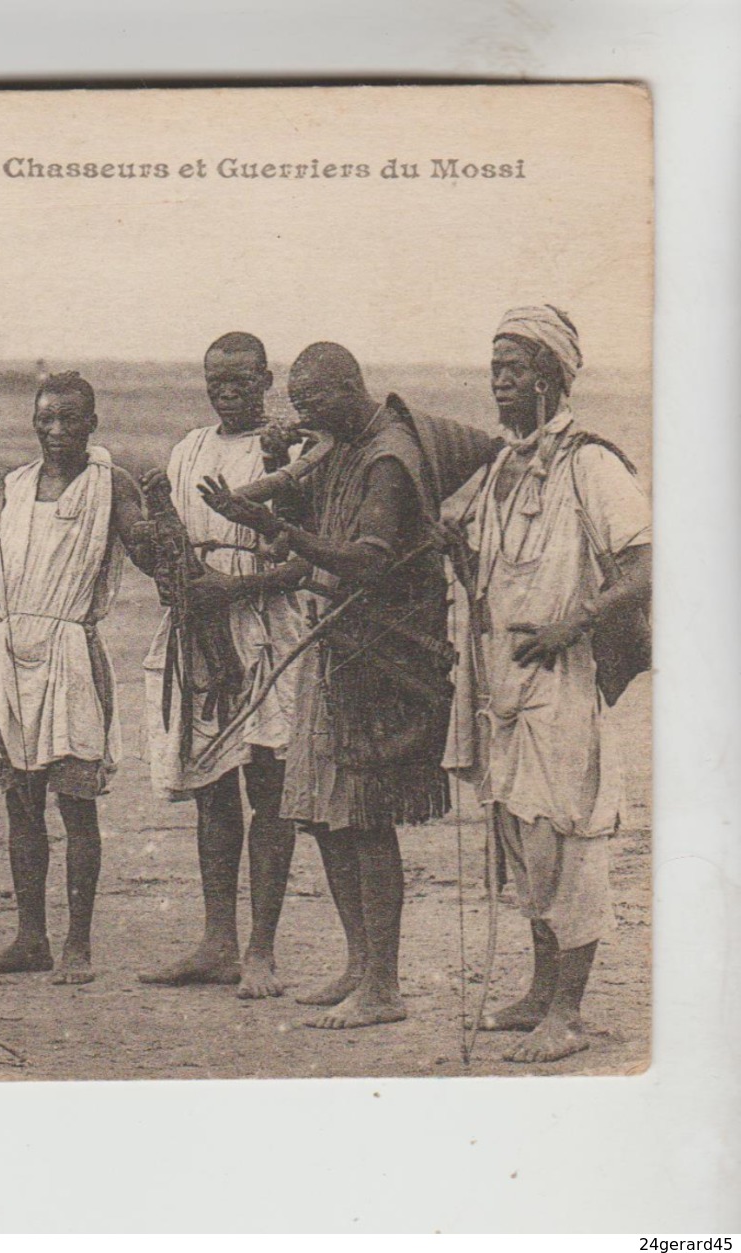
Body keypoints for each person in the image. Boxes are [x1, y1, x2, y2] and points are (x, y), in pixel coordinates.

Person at [200, 343, 466, 1028]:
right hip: (340, 648)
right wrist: (269, 475)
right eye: (297, 403)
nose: (302, 414)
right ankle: (358, 964)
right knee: (324, 813)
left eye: (311, 402)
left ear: (348, 388)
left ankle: (382, 986)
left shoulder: (385, 458)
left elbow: (368, 562)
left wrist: (275, 528)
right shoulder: (345, 441)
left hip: (383, 659)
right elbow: (317, 512)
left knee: (365, 817)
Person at [452, 306, 650, 1063]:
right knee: (520, 836)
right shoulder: (501, 467)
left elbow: (644, 564)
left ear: (549, 377)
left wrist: (576, 621)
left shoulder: (590, 463)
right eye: (493, 366)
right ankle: (538, 993)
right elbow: (489, 570)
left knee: (569, 838)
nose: (497, 381)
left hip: (563, 684)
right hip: (502, 686)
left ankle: (567, 1012)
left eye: (511, 367)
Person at [132, 333, 313, 998]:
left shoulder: (293, 451)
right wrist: (168, 573)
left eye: (239, 379)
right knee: (210, 787)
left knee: (268, 786)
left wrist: (231, 588)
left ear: (265, 378)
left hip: (265, 625)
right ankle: (217, 942)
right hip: (198, 631)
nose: (225, 391)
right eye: (214, 379)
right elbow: (165, 543)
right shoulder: (189, 449)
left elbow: (305, 559)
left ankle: (260, 950)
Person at [0, 372, 146, 985]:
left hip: (70, 654)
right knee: (20, 804)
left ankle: (78, 944)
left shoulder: (112, 485)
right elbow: (15, 577)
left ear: (91, 423)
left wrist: (157, 523)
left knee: (76, 803)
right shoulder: (15, 485)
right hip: (12, 654)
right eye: (46, 420)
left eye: (69, 419)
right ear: (34, 423)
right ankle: (29, 938)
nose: (56, 431)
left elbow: (142, 545)